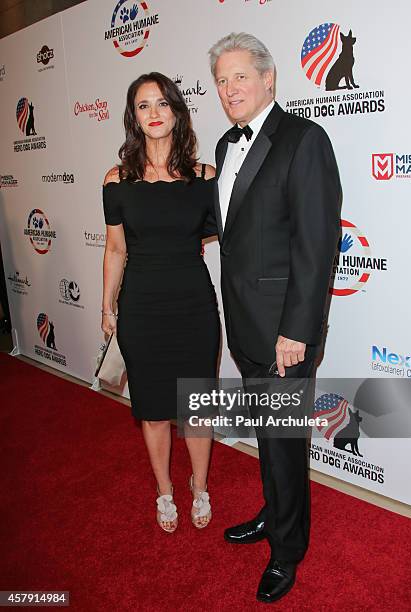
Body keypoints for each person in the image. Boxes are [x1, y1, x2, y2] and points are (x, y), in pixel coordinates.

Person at [208, 33, 341, 602]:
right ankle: (274, 511)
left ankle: (288, 551)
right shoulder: (222, 146)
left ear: (269, 80)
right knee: (269, 435)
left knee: (284, 441)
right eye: (221, 79)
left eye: (241, 76)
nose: (230, 88)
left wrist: (296, 330)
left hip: (285, 334)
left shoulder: (304, 140)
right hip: (245, 325)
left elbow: (318, 245)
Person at [101, 72, 220, 533]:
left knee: (197, 404)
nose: (153, 113)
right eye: (143, 105)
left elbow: (227, 235)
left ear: (176, 111)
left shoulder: (204, 177)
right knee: (152, 406)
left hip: (193, 306)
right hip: (142, 308)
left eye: (162, 103)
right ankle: (165, 492)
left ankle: (201, 486)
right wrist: (107, 308)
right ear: (134, 117)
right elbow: (114, 250)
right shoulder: (117, 180)